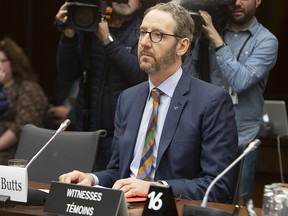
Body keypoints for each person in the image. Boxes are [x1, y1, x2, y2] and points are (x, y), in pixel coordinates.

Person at [59, 2, 238, 203]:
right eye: (143, 32)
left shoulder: (211, 101)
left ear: (182, 46)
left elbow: (218, 186)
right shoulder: (128, 99)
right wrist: (92, 179)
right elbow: (119, 172)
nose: (144, 42)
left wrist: (154, 189)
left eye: (157, 35)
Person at [182, 0, 279, 199]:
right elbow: (189, 78)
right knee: (204, 198)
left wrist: (217, 41)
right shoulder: (209, 34)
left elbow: (240, 81)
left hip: (243, 140)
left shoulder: (266, 40)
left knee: (239, 202)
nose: (236, 3)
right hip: (208, 135)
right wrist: (193, 41)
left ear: (258, 1)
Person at [54, 0, 147, 171]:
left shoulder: (143, 32)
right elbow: (67, 74)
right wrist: (68, 34)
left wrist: (107, 40)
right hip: (87, 130)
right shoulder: (89, 26)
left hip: (124, 135)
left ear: (140, 4)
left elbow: (140, 76)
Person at [0, 37, 48, 165]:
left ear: (14, 63)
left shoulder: (28, 88)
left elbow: (22, 127)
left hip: (15, 156)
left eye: (2, 61)